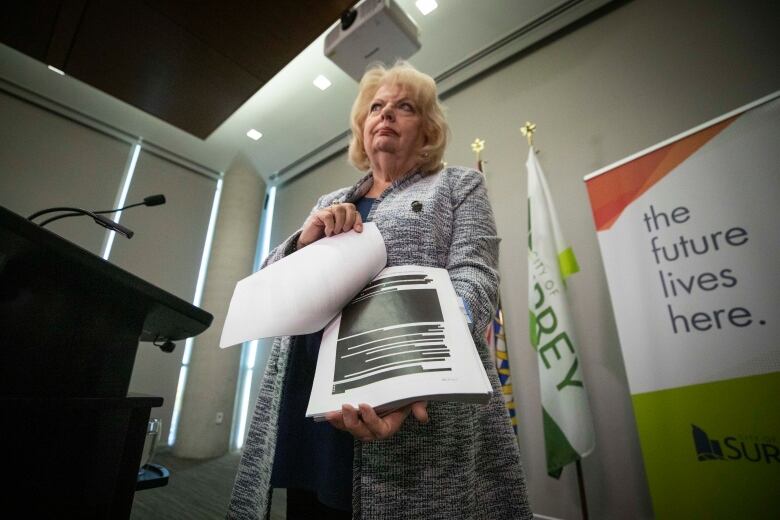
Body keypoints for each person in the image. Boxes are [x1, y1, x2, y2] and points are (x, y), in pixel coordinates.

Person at [227, 61, 532, 520]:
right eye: (376, 107)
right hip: (313, 397)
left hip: (417, 399)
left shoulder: (457, 186)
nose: (386, 114)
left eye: (403, 107)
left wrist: (421, 370)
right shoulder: (330, 202)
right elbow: (270, 283)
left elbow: (476, 277)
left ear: (427, 131)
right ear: (362, 128)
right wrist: (303, 241)